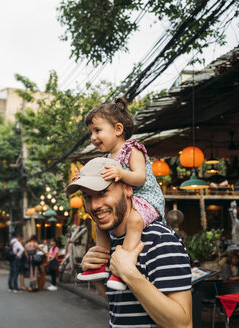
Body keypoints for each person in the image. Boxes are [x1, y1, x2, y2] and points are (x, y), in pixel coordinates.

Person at [67, 157, 192, 327]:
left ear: (127, 188)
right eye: (88, 197)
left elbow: (182, 324)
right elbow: (120, 303)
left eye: (103, 192)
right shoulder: (111, 241)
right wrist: (97, 275)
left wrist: (129, 273)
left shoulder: (160, 239)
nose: (95, 205)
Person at [76, 98, 166, 291]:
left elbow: (140, 178)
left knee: (134, 221)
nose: (93, 137)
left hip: (146, 199)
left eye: (97, 131)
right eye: (91, 132)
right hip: (129, 201)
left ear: (118, 129)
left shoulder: (132, 149)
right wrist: (80, 176)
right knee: (99, 225)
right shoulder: (105, 158)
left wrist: (121, 173)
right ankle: (101, 262)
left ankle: (123, 266)